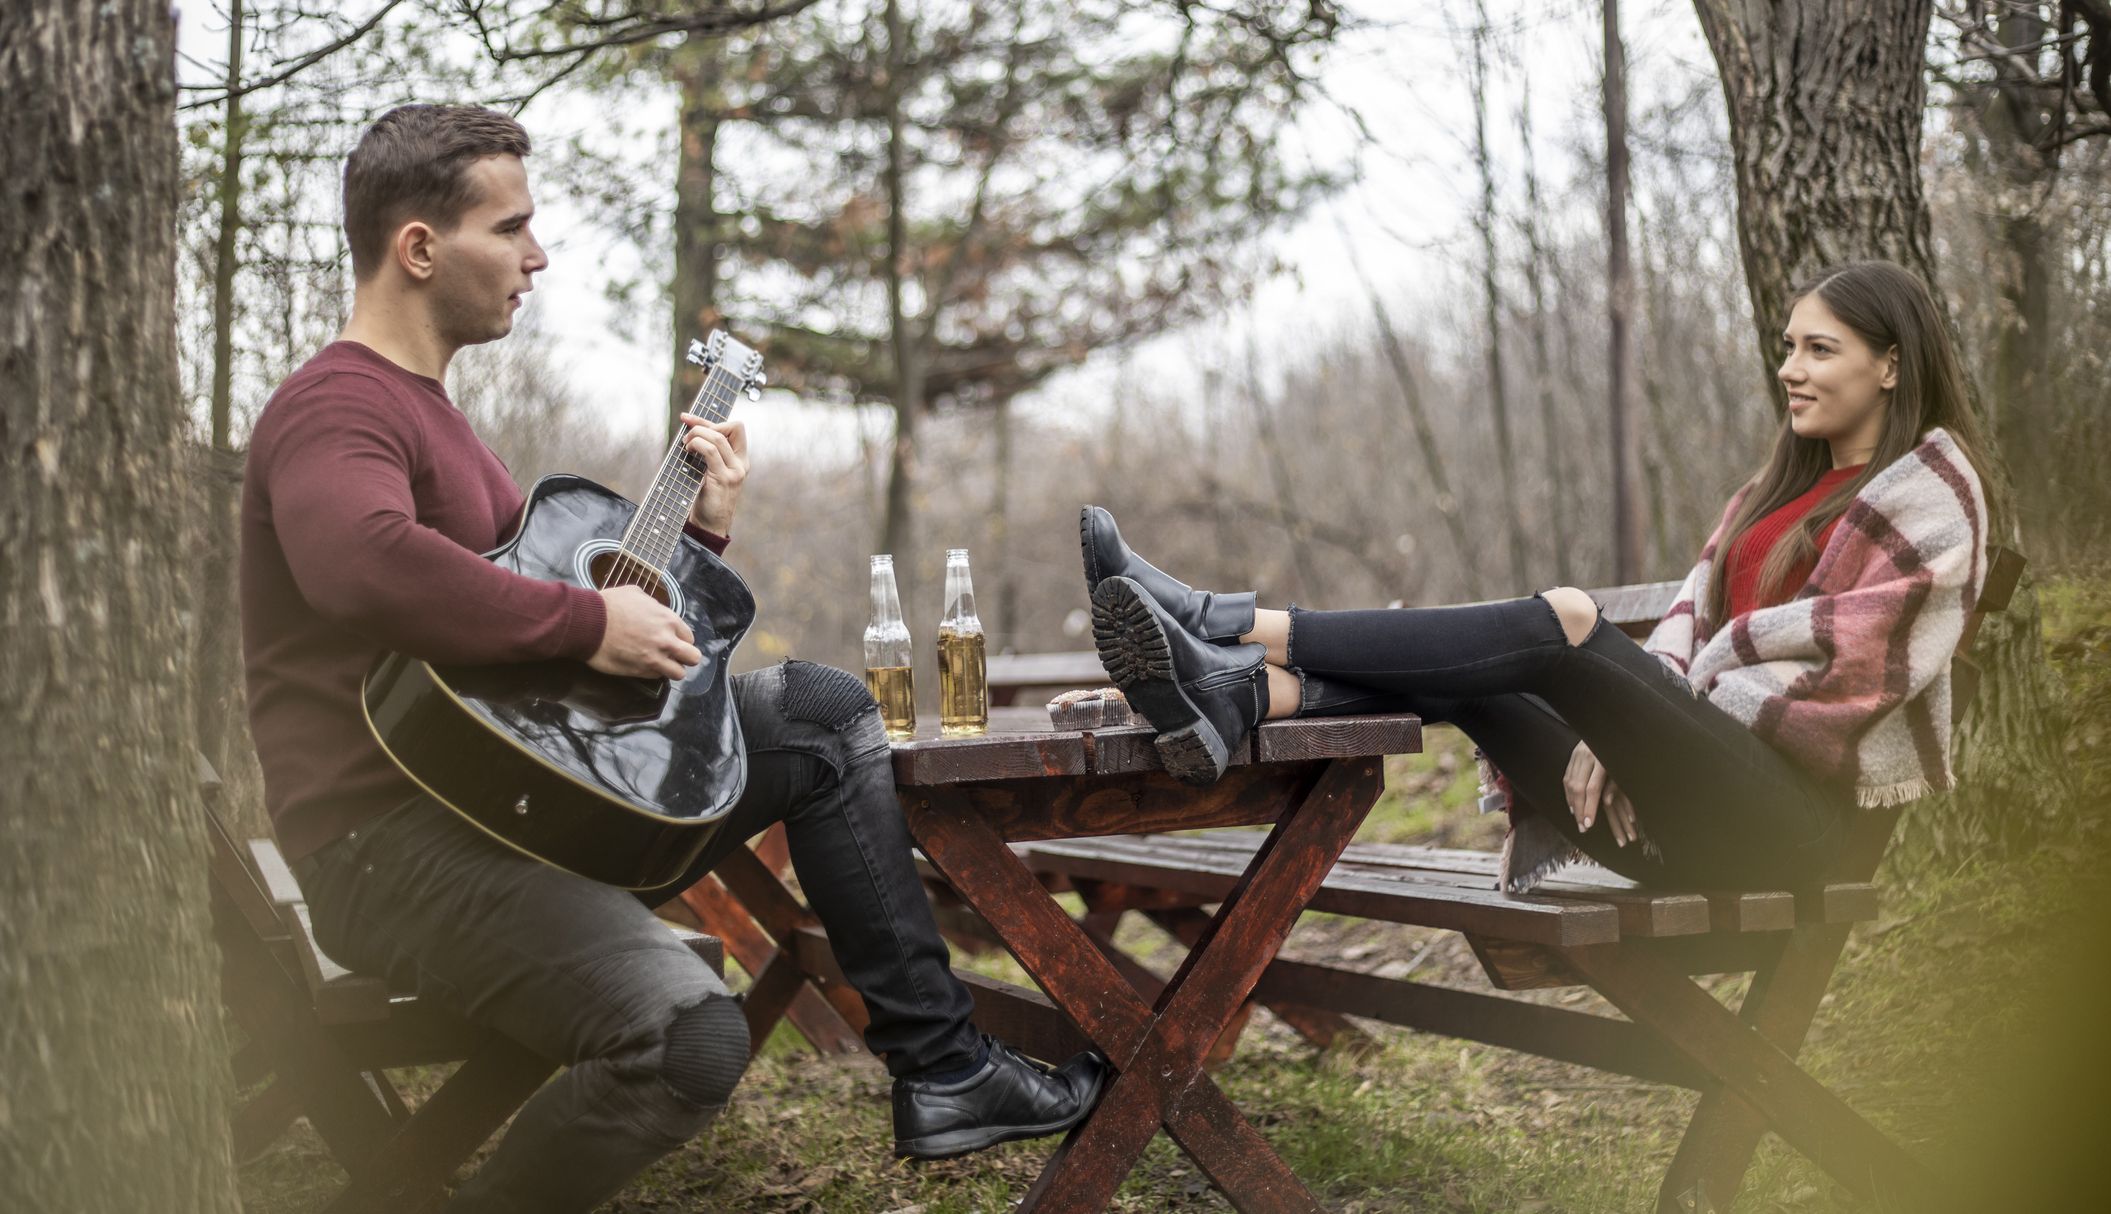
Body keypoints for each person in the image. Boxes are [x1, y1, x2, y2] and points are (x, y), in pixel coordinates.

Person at [240, 104, 1103, 1213]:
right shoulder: (337, 404)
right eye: (511, 230)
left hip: (497, 802)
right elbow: (359, 561)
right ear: (418, 248)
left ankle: (942, 1068)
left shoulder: (437, 417)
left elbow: (533, 678)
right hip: (388, 847)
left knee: (819, 713)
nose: (536, 257)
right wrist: (588, 625)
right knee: (690, 1037)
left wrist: (694, 542)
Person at [1083, 261, 1994, 893]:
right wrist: (1643, 728)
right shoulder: (1767, 498)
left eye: (1818, 350)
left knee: (1564, 620)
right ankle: (1247, 693)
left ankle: (1226, 627)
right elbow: (1695, 656)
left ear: (1889, 362)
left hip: (1791, 836)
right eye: (1787, 345)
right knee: (1477, 685)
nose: (1789, 370)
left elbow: (1839, 679)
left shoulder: (1928, 504)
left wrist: (1642, 726)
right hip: (1680, 815)